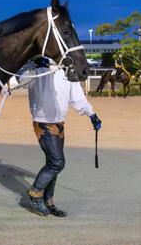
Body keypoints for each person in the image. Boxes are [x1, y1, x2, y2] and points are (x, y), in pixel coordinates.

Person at [25, 57, 102, 217]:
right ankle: (35, 192)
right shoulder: (39, 69)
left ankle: (49, 201)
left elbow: (78, 98)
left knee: (52, 163)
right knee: (57, 162)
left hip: (59, 123)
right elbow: (20, 80)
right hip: (43, 122)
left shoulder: (68, 71)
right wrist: (34, 66)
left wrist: (92, 114)